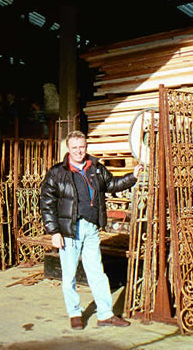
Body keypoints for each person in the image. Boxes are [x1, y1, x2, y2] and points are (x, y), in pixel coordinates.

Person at [40, 130, 143, 330]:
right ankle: (75, 312)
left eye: (82, 147)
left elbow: (111, 184)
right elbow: (46, 203)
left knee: (97, 272)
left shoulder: (94, 168)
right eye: (75, 148)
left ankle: (105, 314)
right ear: (68, 150)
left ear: (86, 147)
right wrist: (54, 232)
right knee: (69, 275)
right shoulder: (57, 173)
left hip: (91, 228)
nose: (79, 151)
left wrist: (132, 177)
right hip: (69, 230)